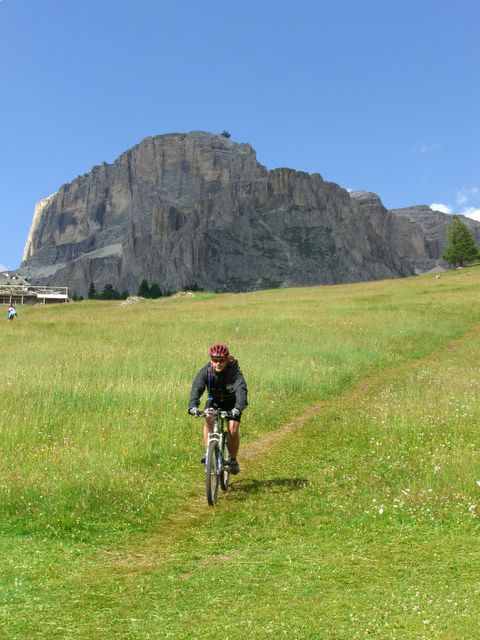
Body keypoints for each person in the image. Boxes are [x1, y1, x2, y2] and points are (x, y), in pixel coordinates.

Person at [188, 344, 248, 475]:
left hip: (232, 404)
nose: (218, 363)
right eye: (215, 360)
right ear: (211, 360)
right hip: (214, 401)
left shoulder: (234, 372)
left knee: (232, 429)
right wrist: (193, 406)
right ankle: (208, 452)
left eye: (221, 360)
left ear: (227, 360)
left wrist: (238, 408)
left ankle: (232, 460)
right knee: (208, 419)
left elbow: (241, 389)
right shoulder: (207, 371)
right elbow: (197, 387)